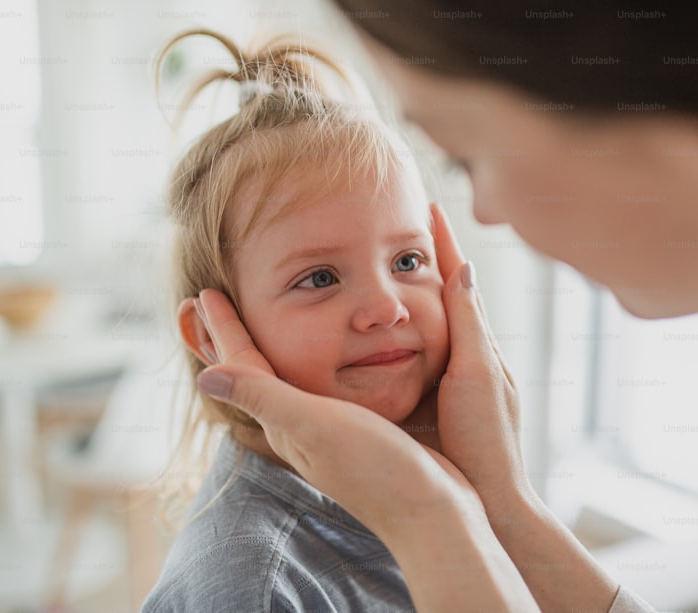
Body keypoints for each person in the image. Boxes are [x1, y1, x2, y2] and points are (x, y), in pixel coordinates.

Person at [189, 4, 698, 613]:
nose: (484, 212)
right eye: (319, 276)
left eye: (466, 154)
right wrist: (501, 504)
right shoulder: (250, 582)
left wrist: (436, 518)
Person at [142, 29, 534, 612]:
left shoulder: (459, 477)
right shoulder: (252, 585)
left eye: (408, 260)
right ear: (213, 335)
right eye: (320, 278)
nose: (388, 307)